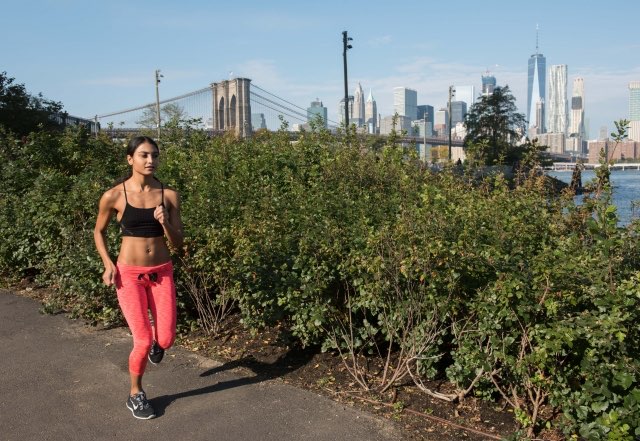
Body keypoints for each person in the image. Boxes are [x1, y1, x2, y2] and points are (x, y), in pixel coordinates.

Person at [94, 135, 183, 419]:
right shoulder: (114, 195)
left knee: (165, 339)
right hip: (129, 274)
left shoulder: (168, 195)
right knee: (142, 340)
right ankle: (136, 393)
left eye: (155, 155)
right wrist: (108, 263)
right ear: (130, 159)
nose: (151, 161)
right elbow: (99, 231)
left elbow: (179, 243)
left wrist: (165, 222)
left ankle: (160, 344)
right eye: (144, 155)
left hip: (161, 271)